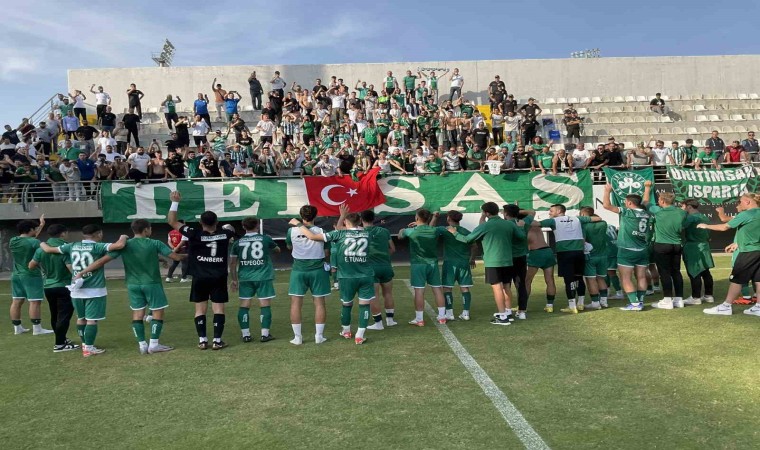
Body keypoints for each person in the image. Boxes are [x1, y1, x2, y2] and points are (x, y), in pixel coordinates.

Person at [72, 219, 182, 354]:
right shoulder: (155, 243)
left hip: (132, 284)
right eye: (150, 228)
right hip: (152, 283)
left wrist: (82, 272)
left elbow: (101, 261)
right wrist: (194, 255)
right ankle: (154, 344)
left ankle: (142, 344)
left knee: (137, 313)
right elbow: (176, 257)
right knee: (157, 312)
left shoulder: (125, 245)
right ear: (146, 230)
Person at [40, 225, 128, 357]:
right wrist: (123, 236)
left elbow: (48, 249)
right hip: (94, 288)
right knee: (92, 320)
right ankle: (89, 348)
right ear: (99, 233)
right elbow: (120, 245)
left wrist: (40, 242)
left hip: (76, 288)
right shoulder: (98, 246)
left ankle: (84, 344)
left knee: (81, 318)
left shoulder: (72, 246)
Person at [291, 206, 374, 345]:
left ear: (345, 223)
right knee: (364, 304)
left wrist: (298, 224)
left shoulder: (339, 234)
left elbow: (312, 236)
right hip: (365, 274)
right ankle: (359, 336)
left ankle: (346, 331)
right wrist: (344, 217)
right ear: (360, 222)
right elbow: (349, 230)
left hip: (346, 276)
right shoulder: (367, 233)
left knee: (347, 304)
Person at [167, 191, 236, 350]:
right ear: (216, 222)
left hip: (199, 276)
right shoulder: (225, 234)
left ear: (200, 222)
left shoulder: (194, 233)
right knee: (218, 308)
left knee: (200, 309)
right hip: (218, 276)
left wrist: (175, 202)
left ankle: (203, 340)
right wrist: (226, 228)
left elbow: (172, 221)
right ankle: (217, 341)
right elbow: (231, 229)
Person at [447, 202, 524, 325]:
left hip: (493, 261)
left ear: (486, 213)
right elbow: (521, 237)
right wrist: (520, 227)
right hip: (507, 260)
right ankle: (508, 312)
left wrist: (454, 232)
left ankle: (502, 316)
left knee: (497, 288)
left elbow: (467, 239)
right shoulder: (509, 224)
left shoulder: (485, 226)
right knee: (506, 286)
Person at [698, 193, 760, 317]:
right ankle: (758, 307)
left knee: (736, 279)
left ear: (747, 201)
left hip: (748, 252)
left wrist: (705, 226)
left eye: (740, 201)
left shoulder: (746, 214)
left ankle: (726, 306)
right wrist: (737, 243)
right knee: (758, 279)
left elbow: (724, 227)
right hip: (757, 251)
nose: (738, 204)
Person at [534, 204, 599, 313]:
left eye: (551, 211)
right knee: (579, 277)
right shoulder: (577, 219)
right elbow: (597, 218)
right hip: (579, 252)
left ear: (559, 211)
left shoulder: (553, 221)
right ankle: (581, 304)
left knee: (569, 279)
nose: (549, 213)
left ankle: (572, 306)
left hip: (565, 253)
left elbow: (535, 224)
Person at [229, 217, 280, 343]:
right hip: (263, 276)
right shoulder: (265, 239)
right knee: (265, 304)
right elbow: (277, 250)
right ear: (257, 225)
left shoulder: (238, 243)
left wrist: (234, 280)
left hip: (245, 277)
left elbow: (232, 263)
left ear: (243, 226)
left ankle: (246, 335)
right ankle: (265, 334)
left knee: (244, 304)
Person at [286, 205, 331, 345]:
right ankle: (319, 336)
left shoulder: (291, 231)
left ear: (301, 216)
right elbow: (327, 252)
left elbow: (289, 246)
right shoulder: (321, 231)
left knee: (296, 303)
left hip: (298, 270)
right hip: (318, 270)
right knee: (319, 303)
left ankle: (297, 337)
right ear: (316, 216)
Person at [602, 184, 652, 311]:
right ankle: (640, 301)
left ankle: (635, 304)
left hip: (627, 250)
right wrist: (647, 189)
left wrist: (607, 191)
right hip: (642, 250)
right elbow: (645, 201)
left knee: (626, 278)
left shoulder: (627, 212)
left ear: (630, 203)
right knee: (641, 276)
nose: (625, 203)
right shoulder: (646, 212)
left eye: (625, 202)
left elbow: (606, 205)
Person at [29, 224, 78, 351]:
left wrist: (44, 271)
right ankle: (60, 344)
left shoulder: (41, 249)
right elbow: (70, 268)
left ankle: (61, 338)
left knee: (55, 314)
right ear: (63, 233)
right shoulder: (64, 248)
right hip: (64, 286)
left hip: (48, 286)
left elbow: (31, 265)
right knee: (64, 316)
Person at [397, 209, 447, 325]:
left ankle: (419, 319)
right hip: (433, 264)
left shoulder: (411, 231)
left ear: (417, 218)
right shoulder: (435, 230)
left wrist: (403, 229)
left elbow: (400, 236)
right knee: (437, 289)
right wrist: (433, 218)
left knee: (419, 291)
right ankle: (442, 317)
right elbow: (434, 228)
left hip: (418, 264)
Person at [642, 182, 687, 309]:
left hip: (662, 245)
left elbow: (645, 202)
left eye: (659, 200)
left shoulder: (658, 211)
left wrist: (647, 188)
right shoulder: (682, 212)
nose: (658, 202)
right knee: (676, 272)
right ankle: (679, 299)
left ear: (662, 201)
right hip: (677, 245)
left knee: (664, 272)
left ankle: (667, 300)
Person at [9, 217, 53, 336]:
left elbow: (30, 239)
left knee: (16, 301)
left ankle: (17, 328)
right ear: (30, 229)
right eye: (35, 229)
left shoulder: (13, 240)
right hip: (31, 275)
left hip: (16, 275)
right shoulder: (34, 242)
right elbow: (42, 248)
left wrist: (41, 225)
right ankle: (37, 329)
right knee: (34, 302)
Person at [433, 211, 476, 321]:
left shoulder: (445, 229)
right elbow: (474, 245)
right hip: (464, 262)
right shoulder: (465, 231)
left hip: (450, 263)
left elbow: (431, 229)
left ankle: (449, 313)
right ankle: (466, 313)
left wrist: (434, 217)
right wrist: (472, 259)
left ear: (448, 218)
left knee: (447, 288)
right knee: (465, 287)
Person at [359, 210, 397, 330]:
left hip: (371, 268)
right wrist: (383, 256)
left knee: (374, 295)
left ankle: (378, 323)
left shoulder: (360, 232)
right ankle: (390, 320)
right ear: (374, 218)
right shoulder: (384, 231)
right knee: (388, 293)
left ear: (361, 220)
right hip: (386, 266)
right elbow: (392, 249)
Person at [680, 199, 715, 305]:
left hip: (693, 247)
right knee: (705, 272)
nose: (681, 209)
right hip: (704, 246)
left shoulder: (690, 217)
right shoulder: (704, 217)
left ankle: (696, 297)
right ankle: (709, 295)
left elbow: (679, 227)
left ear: (689, 207)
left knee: (694, 272)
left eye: (683, 206)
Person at [578, 207, 609, 310]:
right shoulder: (603, 223)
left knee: (590, 279)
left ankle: (595, 303)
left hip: (590, 256)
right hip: (603, 255)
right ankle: (604, 302)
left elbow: (582, 241)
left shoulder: (584, 225)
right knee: (601, 278)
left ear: (583, 214)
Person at [503, 205, 530, 319]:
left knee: (506, 285)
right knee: (521, 285)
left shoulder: (504, 224)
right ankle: (522, 311)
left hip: (507, 258)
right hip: (521, 258)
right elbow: (532, 212)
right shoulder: (524, 222)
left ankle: (507, 310)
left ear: (506, 213)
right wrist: (519, 212)